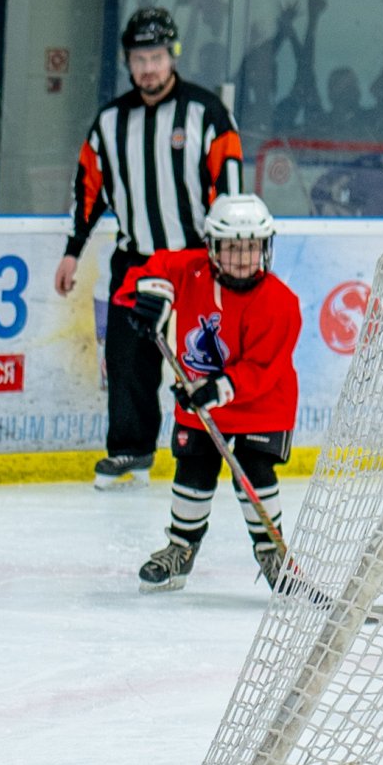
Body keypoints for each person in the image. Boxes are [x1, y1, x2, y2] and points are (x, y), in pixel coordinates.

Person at [55, 6, 243, 489]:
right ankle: (131, 450)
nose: (148, 69)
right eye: (139, 59)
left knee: (207, 355)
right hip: (137, 262)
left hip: (199, 260)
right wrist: (73, 250)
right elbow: (89, 190)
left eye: (156, 57)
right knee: (126, 358)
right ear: (127, 62)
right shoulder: (110, 122)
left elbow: (230, 189)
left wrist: (228, 254)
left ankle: (220, 443)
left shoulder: (207, 113)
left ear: (172, 56)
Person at [128, 194, 300, 592]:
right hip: (199, 397)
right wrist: (154, 293)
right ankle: (181, 548)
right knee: (193, 468)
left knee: (255, 470)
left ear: (265, 247)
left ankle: (271, 552)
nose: (242, 258)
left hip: (262, 404)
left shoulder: (281, 302)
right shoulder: (191, 271)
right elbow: (153, 268)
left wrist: (217, 389)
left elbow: (263, 368)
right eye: (231, 247)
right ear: (212, 248)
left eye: (251, 247)